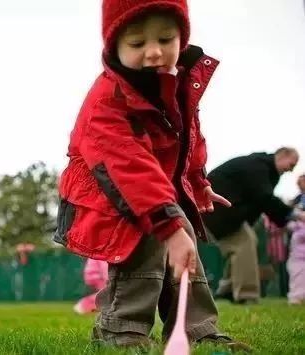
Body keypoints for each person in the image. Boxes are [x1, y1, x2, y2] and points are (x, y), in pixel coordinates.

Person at [53, 0, 249, 350]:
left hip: (152, 186)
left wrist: (198, 182)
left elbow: (186, 137)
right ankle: (120, 328)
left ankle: (198, 329)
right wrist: (168, 226)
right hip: (108, 188)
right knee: (145, 239)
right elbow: (128, 168)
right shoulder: (107, 100)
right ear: (114, 46)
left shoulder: (176, 83)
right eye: (138, 43)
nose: (155, 52)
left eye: (165, 38)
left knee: (183, 241)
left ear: (182, 38)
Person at [203, 148, 305, 304]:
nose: (291, 170)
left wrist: (285, 216)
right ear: (282, 155)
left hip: (224, 212)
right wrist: (294, 214)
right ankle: (246, 295)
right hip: (217, 210)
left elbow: (259, 203)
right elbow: (264, 197)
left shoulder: (264, 170)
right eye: (291, 164)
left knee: (242, 244)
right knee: (245, 243)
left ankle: (228, 288)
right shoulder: (259, 167)